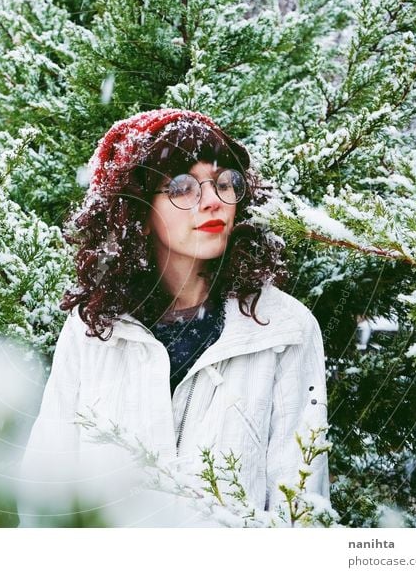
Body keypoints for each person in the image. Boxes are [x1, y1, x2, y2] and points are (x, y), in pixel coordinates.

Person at [19, 108, 329, 527]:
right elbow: (47, 490)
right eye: (182, 188)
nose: (214, 201)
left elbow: (301, 507)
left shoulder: (284, 330)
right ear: (137, 211)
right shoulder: (93, 329)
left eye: (225, 183)